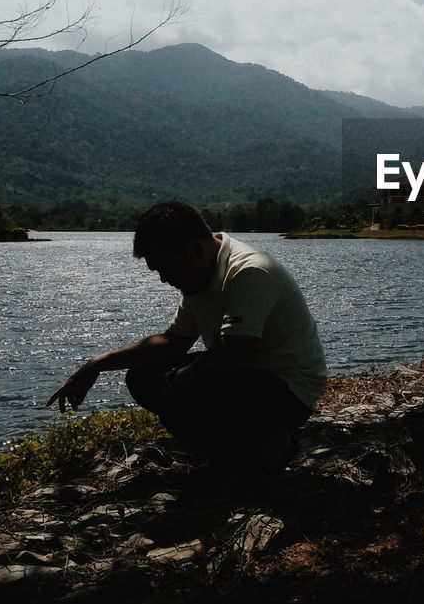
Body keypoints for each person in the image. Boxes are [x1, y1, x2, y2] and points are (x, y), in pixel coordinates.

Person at [47, 202, 327, 473]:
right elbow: (174, 341)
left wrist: (179, 379)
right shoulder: (199, 275)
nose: (164, 280)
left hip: (288, 390)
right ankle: (241, 451)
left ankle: (268, 447)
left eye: (166, 269)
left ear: (195, 249)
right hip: (247, 375)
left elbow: (235, 352)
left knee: (180, 391)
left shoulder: (249, 272)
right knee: (143, 377)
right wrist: (97, 363)